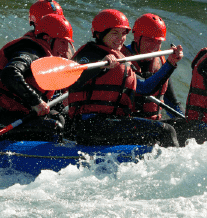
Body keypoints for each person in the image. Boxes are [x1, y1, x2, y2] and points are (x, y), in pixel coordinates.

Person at [67, 10, 182, 147]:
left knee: (180, 127)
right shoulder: (89, 53)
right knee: (166, 131)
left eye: (123, 34)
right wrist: (100, 66)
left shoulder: (120, 58)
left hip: (113, 123)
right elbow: (72, 82)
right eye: (115, 33)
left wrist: (170, 63)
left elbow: (145, 87)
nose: (120, 38)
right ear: (100, 33)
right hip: (89, 125)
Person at [0, 12, 73, 143]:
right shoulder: (30, 51)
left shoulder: (42, 53)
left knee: (60, 119)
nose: (65, 49)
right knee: (54, 128)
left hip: (8, 116)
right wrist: (36, 102)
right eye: (62, 42)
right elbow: (10, 73)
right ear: (47, 39)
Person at [124, 13, 182, 121]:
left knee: (184, 123)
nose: (154, 46)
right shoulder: (122, 59)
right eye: (150, 40)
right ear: (136, 37)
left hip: (153, 124)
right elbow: (144, 88)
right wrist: (170, 64)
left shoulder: (161, 61)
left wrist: (186, 121)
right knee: (167, 129)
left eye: (158, 42)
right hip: (127, 122)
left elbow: (172, 103)